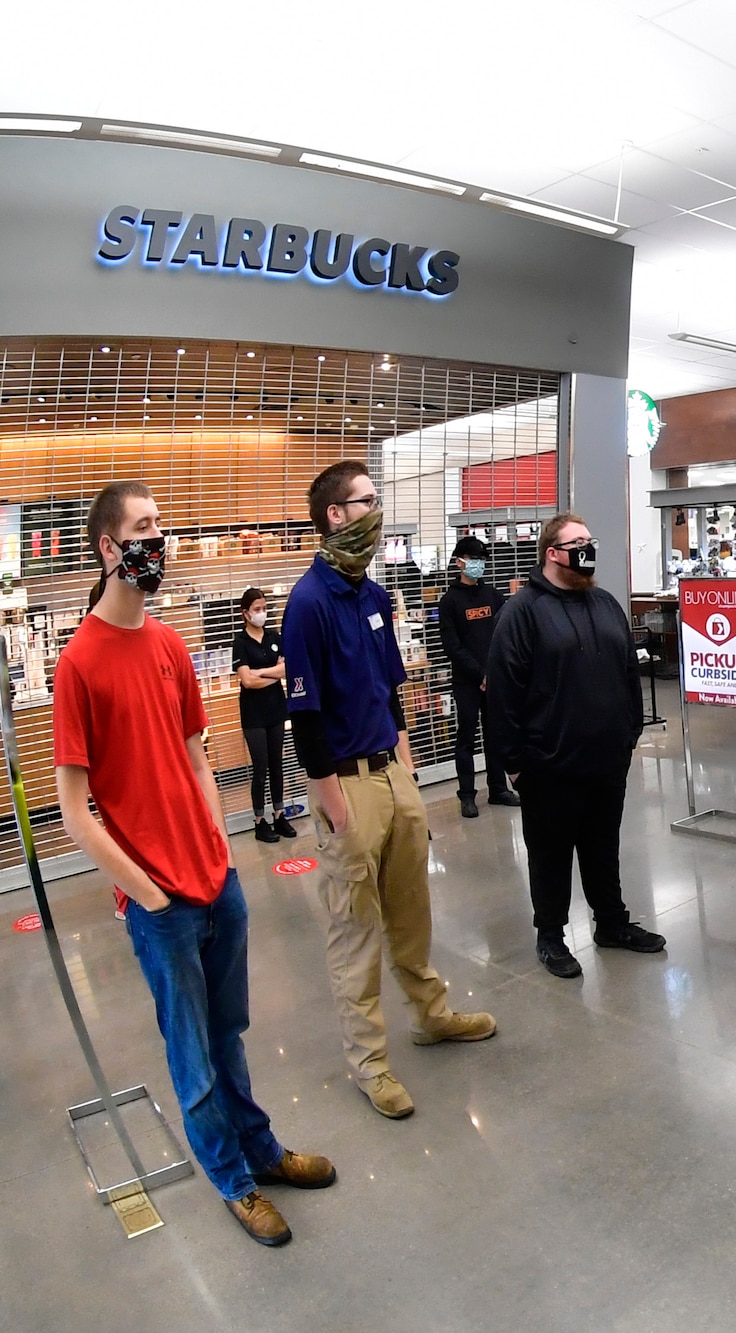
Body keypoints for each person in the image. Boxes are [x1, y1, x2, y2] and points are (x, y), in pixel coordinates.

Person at [55, 481, 335, 1247]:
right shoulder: (78, 663)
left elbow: (195, 757)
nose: (160, 540)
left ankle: (262, 1150)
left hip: (217, 880)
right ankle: (232, 1179)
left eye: (161, 525)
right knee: (193, 1051)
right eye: (145, 528)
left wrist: (220, 848)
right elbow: (76, 808)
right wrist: (145, 892)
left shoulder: (172, 646)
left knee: (231, 1030)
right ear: (111, 547)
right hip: (159, 904)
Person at [286, 461, 495, 1120]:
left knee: (412, 908)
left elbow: (391, 690)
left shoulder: (374, 597)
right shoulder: (308, 603)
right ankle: (369, 1060)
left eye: (378, 499)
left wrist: (404, 766)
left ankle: (432, 1015)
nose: (375, 511)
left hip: (391, 772)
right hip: (346, 783)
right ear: (334, 516)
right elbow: (306, 717)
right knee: (356, 927)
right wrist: (334, 803)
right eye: (364, 501)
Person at [485, 513, 666, 980]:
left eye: (591, 539)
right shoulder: (522, 612)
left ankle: (611, 923)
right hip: (548, 766)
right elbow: (503, 692)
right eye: (577, 542)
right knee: (550, 854)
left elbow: (629, 673)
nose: (588, 548)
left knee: (603, 846)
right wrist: (514, 764)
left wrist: (629, 734)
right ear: (552, 552)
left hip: (607, 760)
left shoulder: (605, 603)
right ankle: (551, 935)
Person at [436, 535, 519, 820]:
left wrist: (496, 672)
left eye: (482, 561)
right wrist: (480, 673)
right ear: (459, 562)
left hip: (494, 681)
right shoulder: (449, 602)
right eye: (473, 560)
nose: (478, 565)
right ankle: (467, 796)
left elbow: (505, 635)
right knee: (466, 738)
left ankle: (498, 789)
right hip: (467, 682)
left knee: (496, 736)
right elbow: (452, 647)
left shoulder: (493, 596)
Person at [232, 587, 296, 844]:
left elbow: (287, 671)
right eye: (257, 610)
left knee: (277, 763)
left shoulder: (274, 636)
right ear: (245, 613)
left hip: (275, 709)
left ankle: (279, 813)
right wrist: (270, 672)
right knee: (260, 768)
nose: (262, 613)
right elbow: (246, 681)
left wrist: (260, 673)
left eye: (264, 608)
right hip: (253, 713)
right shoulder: (241, 643)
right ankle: (260, 821)